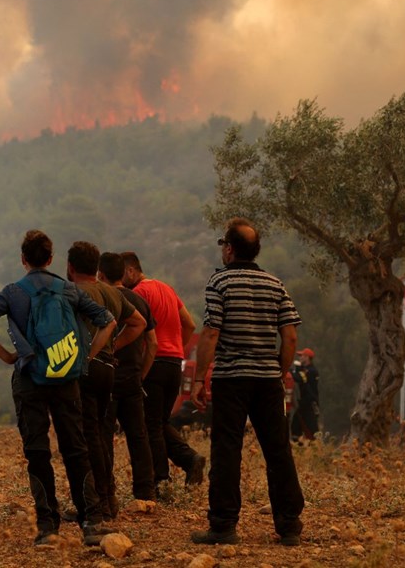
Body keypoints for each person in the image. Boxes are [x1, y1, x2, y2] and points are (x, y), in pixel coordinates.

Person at [0, 230, 119, 547]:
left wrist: (7, 356)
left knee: (37, 452)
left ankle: (48, 527)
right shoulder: (69, 289)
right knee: (76, 449)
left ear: (23, 259)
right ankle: (91, 522)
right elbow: (108, 321)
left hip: (28, 379)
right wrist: (85, 357)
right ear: (51, 259)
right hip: (66, 379)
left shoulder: (12, 292)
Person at [190, 218, 305, 547]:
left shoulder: (220, 282)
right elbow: (290, 336)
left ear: (229, 249)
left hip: (231, 379)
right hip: (267, 380)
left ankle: (223, 525)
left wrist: (199, 378)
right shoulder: (275, 284)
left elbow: (211, 332)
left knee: (227, 449)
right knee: (278, 450)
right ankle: (289, 526)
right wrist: (278, 371)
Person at [66, 241, 146, 521]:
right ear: (96, 267)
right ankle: (108, 498)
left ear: (70, 267)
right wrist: (112, 345)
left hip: (84, 369)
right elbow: (138, 323)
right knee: (101, 433)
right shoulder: (112, 293)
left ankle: (97, 502)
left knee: (86, 437)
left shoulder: (72, 293)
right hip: (108, 369)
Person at [121, 251, 206, 489]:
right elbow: (189, 324)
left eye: (121, 275)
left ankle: (161, 479)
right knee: (159, 422)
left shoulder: (139, 293)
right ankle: (189, 460)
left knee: (151, 425)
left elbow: (136, 328)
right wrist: (177, 348)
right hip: (174, 364)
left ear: (130, 271)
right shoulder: (167, 289)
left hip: (154, 363)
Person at [98, 251, 158, 505]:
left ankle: (106, 493)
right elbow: (153, 343)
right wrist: (141, 375)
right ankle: (145, 491)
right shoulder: (139, 300)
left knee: (104, 436)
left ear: (100, 274)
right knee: (138, 435)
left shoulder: (102, 300)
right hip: (132, 378)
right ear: (123, 273)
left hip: (108, 377)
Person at [291, 348, 321, 442]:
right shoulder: (305, 370)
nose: (300, 357)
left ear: (307, 357)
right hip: (304, 403)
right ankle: (299, 446)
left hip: (309, 403)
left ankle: (316, 446)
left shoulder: (311, 371)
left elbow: (299, 378)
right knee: (295, 426)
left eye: (302, 356)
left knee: (312, 429)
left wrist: (292, 371)